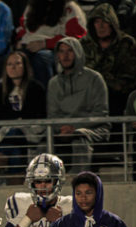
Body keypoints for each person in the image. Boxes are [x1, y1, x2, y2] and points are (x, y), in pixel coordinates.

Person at [16, 0, 88, 88]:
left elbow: (75, 37)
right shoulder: (32, 7)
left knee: (41, 59)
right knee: (15, 61)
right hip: (28, 46)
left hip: (53, 50)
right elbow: (22, 27)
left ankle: (46, 95)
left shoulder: (70, 8)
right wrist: (19, 40)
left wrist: (45, 44)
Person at [46, 37, 109, 174]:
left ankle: (80, 179)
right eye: (61, 51)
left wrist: (74, 127)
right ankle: (42, 181)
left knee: (79, 137)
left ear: (78, 52)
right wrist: (62, 128)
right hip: (63, 130)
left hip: (94, 128)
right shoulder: (53, 83)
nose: (65, 55)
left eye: (70, 51)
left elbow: (100, 113)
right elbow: (53, 115)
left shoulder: (94, 78)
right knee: (42, 141)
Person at [0, 50, 46, 180]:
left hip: (32, 130)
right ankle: (14, 186)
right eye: (9, 64)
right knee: (15, 150)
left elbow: (39, 114)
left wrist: (19, 121)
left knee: (15, 132)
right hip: (7, 131)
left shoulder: (36, 88)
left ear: (25, 66)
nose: (13, 67)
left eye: (17, 63)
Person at [80, 3, 136, 117]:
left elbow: (130, 79)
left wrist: (108, 84)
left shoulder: (127, 43)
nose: (100, 26)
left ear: (113, 24)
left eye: (105, 22)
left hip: (118, 98)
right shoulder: (84, 45)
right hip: (89, 98)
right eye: (97, 22)